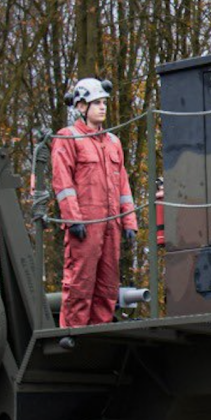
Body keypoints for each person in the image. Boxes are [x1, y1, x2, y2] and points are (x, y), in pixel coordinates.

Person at [51, 77, 138, 327]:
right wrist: (73, 219)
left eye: (104, 102)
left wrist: (129, 220)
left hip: (111, 224)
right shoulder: (68, 138)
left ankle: (100, 332)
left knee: (108, 283)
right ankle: (74, 332)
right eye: (96, 102)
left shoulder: (113, 142)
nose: (102, 107)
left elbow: (123, 185)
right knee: (80, 280)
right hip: (86, 224)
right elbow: (63, 183)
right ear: (81, 107)